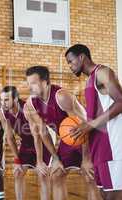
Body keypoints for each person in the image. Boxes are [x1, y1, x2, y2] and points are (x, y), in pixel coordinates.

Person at [24, 66, 102, 200]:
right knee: (56, 174)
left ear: (45, 82)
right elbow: (43, 133)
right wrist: (54, 158)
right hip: (69, 139)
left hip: (89, 136)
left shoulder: (61, 96)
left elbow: (83, 126)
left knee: (89, 176)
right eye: (28, 83)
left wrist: (86, 159)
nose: (30, 87)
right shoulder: (31, 104)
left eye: (33, 83)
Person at [65, 44, 122, 200]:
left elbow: (121, 102)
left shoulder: (103, 72)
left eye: (71, 61)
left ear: (82, 57)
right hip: (100, 147)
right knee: (104, 193)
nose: (70, 66)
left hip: (113, 145)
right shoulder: (90, 80)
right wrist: (87, 156)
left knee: (113, 195)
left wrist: (90, 125)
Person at [0, 86, 51, 200]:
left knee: (42, 174)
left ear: (16, 99)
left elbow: (37, 136)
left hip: (42, 143)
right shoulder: (2, 112)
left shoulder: (27, 109)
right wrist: (17, 160)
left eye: (6, 100)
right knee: (18, 173)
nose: (3, 103)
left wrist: (40, 161)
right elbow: (9, 137)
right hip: (26, 144)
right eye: (1, 100)